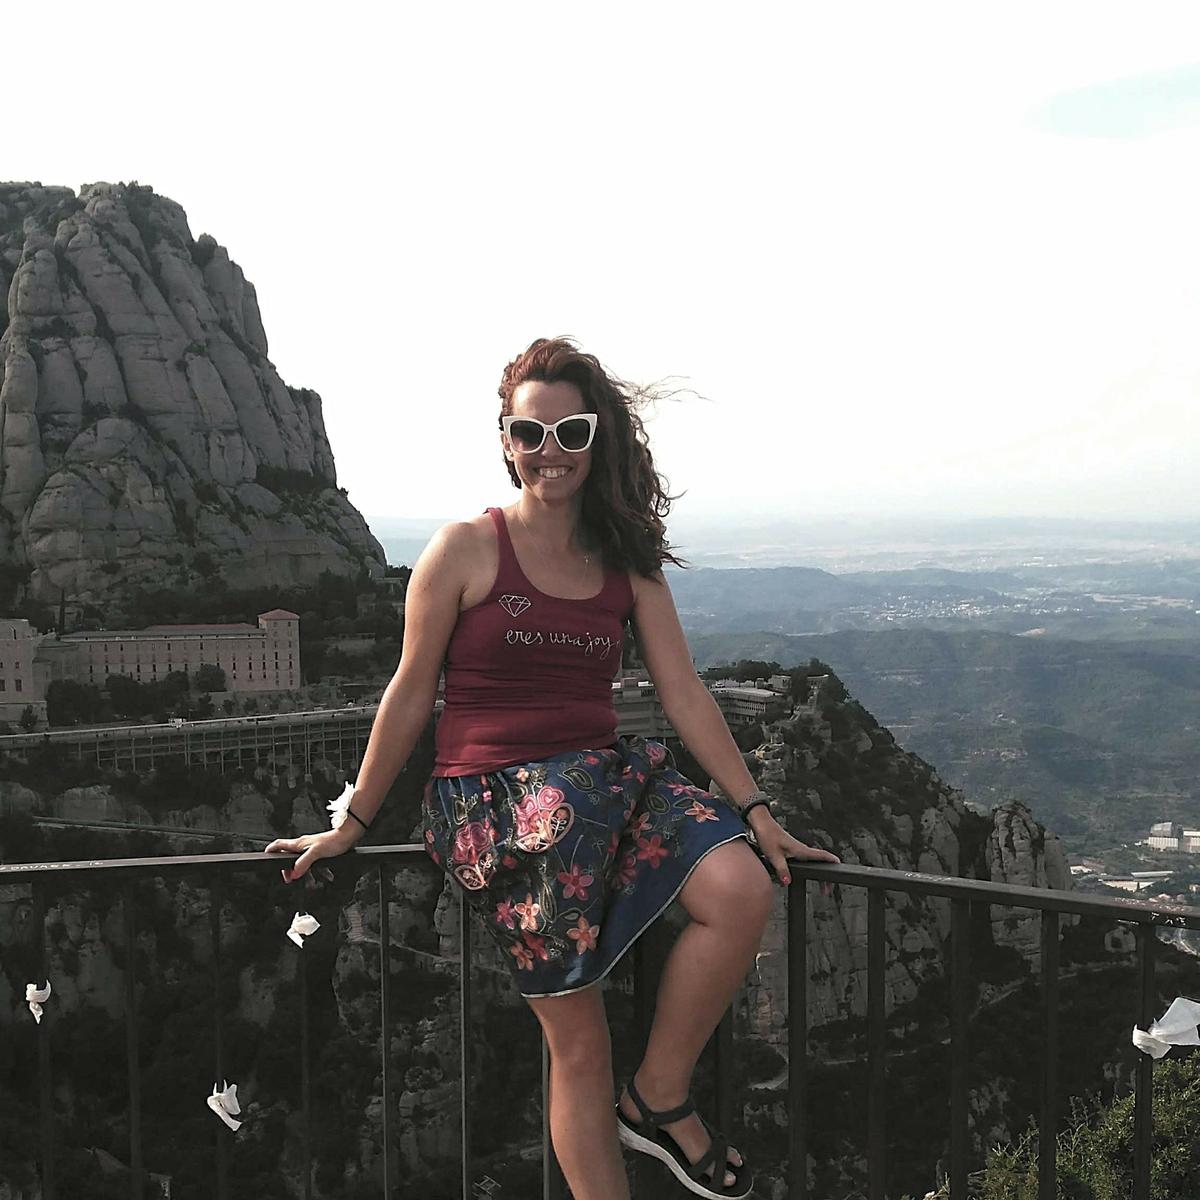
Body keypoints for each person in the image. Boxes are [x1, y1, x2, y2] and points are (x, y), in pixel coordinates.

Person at [265, 336, 841, 1200]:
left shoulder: (627, 562)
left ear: (596, 438)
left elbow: (683, 692)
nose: (549, 452)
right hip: (499, 803)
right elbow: (410, 693)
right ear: (505, 441)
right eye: (529, 433)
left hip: (598, 784)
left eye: (569, 433)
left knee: (741, 889)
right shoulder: (464, 549)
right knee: (580, 1043)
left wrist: (756, 812)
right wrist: (354, 820)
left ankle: (655, 1099)